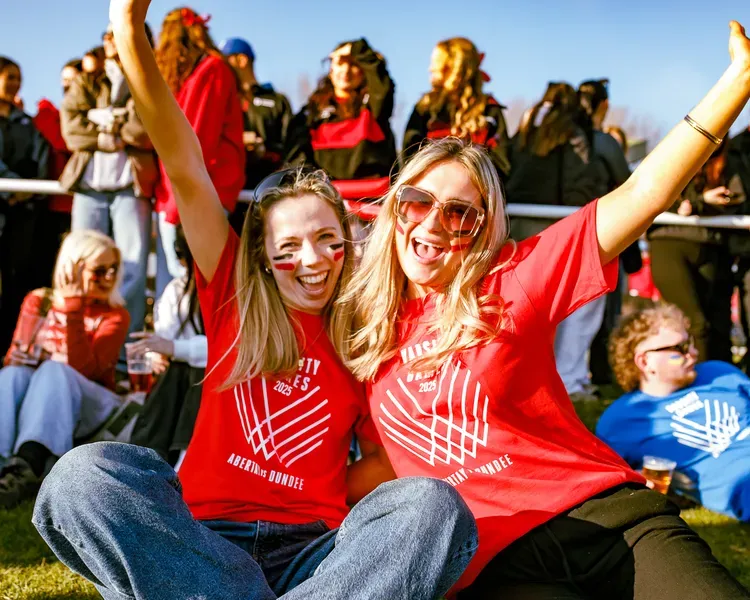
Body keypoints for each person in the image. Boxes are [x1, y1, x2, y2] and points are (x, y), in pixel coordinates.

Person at [31, 4, 478, 600]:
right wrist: (130, 31)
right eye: (289, 246)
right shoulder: (233, 294)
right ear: (262, 256)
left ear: (348, 244)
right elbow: (183, 160)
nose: (313, 260)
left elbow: (380, 463)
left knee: (432, 507)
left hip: (315, 552)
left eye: (326, 239)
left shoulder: (365, 335)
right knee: (79, 478)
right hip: (200, 537)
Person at [337, 19, 750, 598]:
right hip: (494, 564)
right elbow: (379, 466)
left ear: (480, 232)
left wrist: (739, 81)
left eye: (459, 213)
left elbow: (641, 195)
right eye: (417, 201)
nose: (433, 223)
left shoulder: (510, 282)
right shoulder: (363, 333)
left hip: (605, 522)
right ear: (395, 208)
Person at [0, 229, 129, 508]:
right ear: (73, 267)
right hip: (42, 400)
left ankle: (29, 464)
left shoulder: (115, 314)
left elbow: (86, 371)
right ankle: (6, 466)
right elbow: (15, 358)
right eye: (99, 270)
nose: (109, 277)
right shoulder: (40, 300)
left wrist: (72, 311)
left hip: (92, 406)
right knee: (12, 375)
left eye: (114, 269)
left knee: (54, 370)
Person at [599, 303, 750, 522]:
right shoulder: (622, 421)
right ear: (644, 361)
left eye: (690, 342)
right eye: (680, 348)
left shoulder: (718, 372)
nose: (693, 353)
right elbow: (606, 480)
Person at [60, 23, 157, 349]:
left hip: (131, 188)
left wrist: (102, 118)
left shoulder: (149, 78)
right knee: (79, 263)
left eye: (116, 32)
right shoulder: (87, 80)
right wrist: (116, 125)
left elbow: (145, 130)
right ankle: (78, 343)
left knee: (131, 269)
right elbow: (71, 129)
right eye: (106, 33)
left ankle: (120, 351)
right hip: (88, 188)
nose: (108, 39)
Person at [152, 7, 245, 298]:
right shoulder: (197, 73)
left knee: (196, 291)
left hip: (201, 193)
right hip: (183, 193)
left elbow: (195, 140)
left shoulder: (211, 70)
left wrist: (174, 208)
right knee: (177, 289)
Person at [285, 37, 397, 237]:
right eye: (340, 63)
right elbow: (297, 159)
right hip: (324, 208)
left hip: (369, 214)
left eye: (354, 64)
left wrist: (357, 49)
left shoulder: (375, 108)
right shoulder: (311, 113)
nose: (346, 71)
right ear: (330, 68)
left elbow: (383, 85)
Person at [648, 137, 742, 363]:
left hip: (709, 245)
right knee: (695, 322)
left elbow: (740, 198)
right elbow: (651, 196)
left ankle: (718, 383)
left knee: (714, 323)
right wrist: (700, 201)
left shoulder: (729, 163)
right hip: (669, 243)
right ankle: (696, 384)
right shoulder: (672, 156)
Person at [576, 79, 642, 390]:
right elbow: (629, 187)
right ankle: (591, 376)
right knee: (598, 310)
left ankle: (584, 376)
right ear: (604, 105)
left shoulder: (551, 138)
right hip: (596, 235)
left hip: (566, 232)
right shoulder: (601, 142)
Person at [129, 226, 207, 466]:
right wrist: (156, 354)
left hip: (220, 384)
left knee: (196, 372)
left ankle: (166, 459)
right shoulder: (177, 290)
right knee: (176, 370)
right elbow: (165, 338)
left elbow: (231, 348)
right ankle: (151, 460)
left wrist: (173, 349)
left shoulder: (237, 288)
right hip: (179, 386)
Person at [402, 37, 510, 180]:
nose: (430, 69)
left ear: (453, 67)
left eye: (436, 64)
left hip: (473, 195)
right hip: (430, 192)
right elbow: (409, 159)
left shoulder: (489, 111)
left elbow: (501, 165)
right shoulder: (425, 108)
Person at [0, 56, 50, 357]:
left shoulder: (26, 123)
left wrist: (28, 191)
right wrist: (10, 188)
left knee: (16, 285)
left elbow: (41, 157)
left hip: (22, 217)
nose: (16, 83)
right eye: (9, 77)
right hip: (5, 206)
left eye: (18, 77)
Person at [505, 81, 599, 240]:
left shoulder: (523, 131)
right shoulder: (572, 132)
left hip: (512, 219)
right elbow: (578, 186)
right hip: (550, 224)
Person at [219, 36, 293, 234]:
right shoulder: (220, 99)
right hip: (226, 197)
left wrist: (264, 149)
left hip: (268, 196)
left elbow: (290, 148)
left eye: (225, 60)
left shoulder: (276, 101)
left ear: (241, 60)